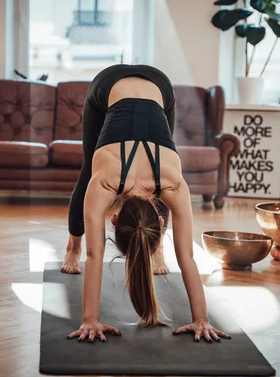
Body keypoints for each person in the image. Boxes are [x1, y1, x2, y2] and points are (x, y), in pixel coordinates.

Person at [62, 64, 230, 343]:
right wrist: (202, 319)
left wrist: (90, 319)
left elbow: (95, 257)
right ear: (114, 220)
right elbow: (187, 257)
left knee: (90, 173)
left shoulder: (156, 185)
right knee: (86, 172)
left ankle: (156, 249)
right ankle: (72, 246)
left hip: (156, 86)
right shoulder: (164, 184)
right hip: (119, 86)